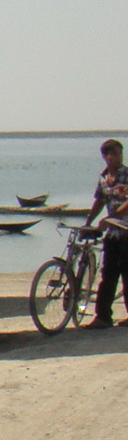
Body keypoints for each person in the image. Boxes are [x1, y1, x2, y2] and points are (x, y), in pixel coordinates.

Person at [85, 138, 128, 328]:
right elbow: (100, 201)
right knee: (108, 274)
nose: (117, 157)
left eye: (119, 153)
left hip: (126, 230)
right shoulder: (103, 178)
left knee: (127, 274)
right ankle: (103, 317)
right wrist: (89, 223)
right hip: (113, 233)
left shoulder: (126, 174)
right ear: (105, 157)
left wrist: (111, 218)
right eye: (113, 154)